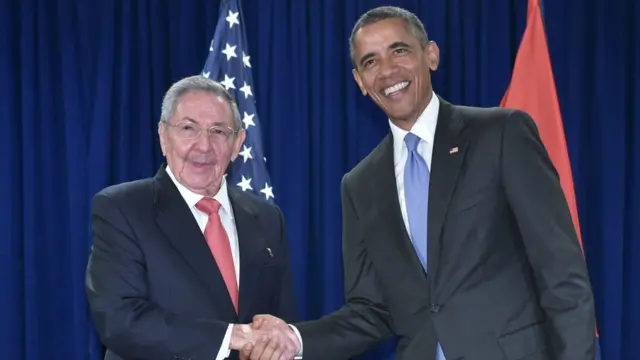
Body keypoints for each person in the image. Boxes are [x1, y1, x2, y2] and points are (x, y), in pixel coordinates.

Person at [241, 6, 597, 360]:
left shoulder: (501, 134)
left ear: (431, 55)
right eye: (370, 62)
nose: (386, 71)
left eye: (399, 50)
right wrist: (295, 338)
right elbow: (372, 311)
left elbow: (561, 272)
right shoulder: (359, 185)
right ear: (360, 82)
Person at [85, 75, 299, 360]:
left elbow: (280, 322)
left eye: (219, 132)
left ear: (238, 143)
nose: (204, 146)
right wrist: (230, 336)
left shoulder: (268, 219)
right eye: (189, 128)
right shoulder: (122, 208)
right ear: (163, 136)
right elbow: (119, 320)